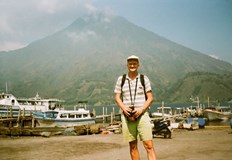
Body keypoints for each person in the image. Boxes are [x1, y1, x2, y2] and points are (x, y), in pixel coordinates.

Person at [114, 55, 157, 160]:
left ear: (138, 65)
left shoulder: (144, 78)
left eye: (134, 63)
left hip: (142, 115)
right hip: (127, 116)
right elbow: (117, 97)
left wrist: (141, 109)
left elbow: (150, 98)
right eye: (130, 64)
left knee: (149, 145)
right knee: (133, 146)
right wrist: (124, 108)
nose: (132, 65)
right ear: (127, 65)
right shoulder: (121, 79)